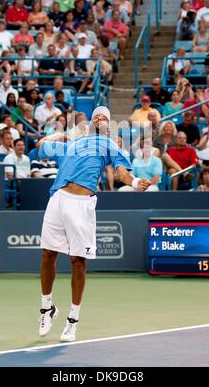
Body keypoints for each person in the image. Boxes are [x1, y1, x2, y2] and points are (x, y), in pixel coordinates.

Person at [37, 106, 150, 341]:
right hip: (57, 198)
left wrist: (136, 181)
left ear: (108, 126)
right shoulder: (73, 145)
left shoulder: (110, 146)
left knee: (78, 262)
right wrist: (60, 135)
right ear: (89, 122)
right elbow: (41, 146)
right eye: (96, 115)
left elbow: (123, 174)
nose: (100, 117)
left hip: (82, 204)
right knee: (48, 254)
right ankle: (46, 308)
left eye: (105, 117)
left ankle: (72, 320)